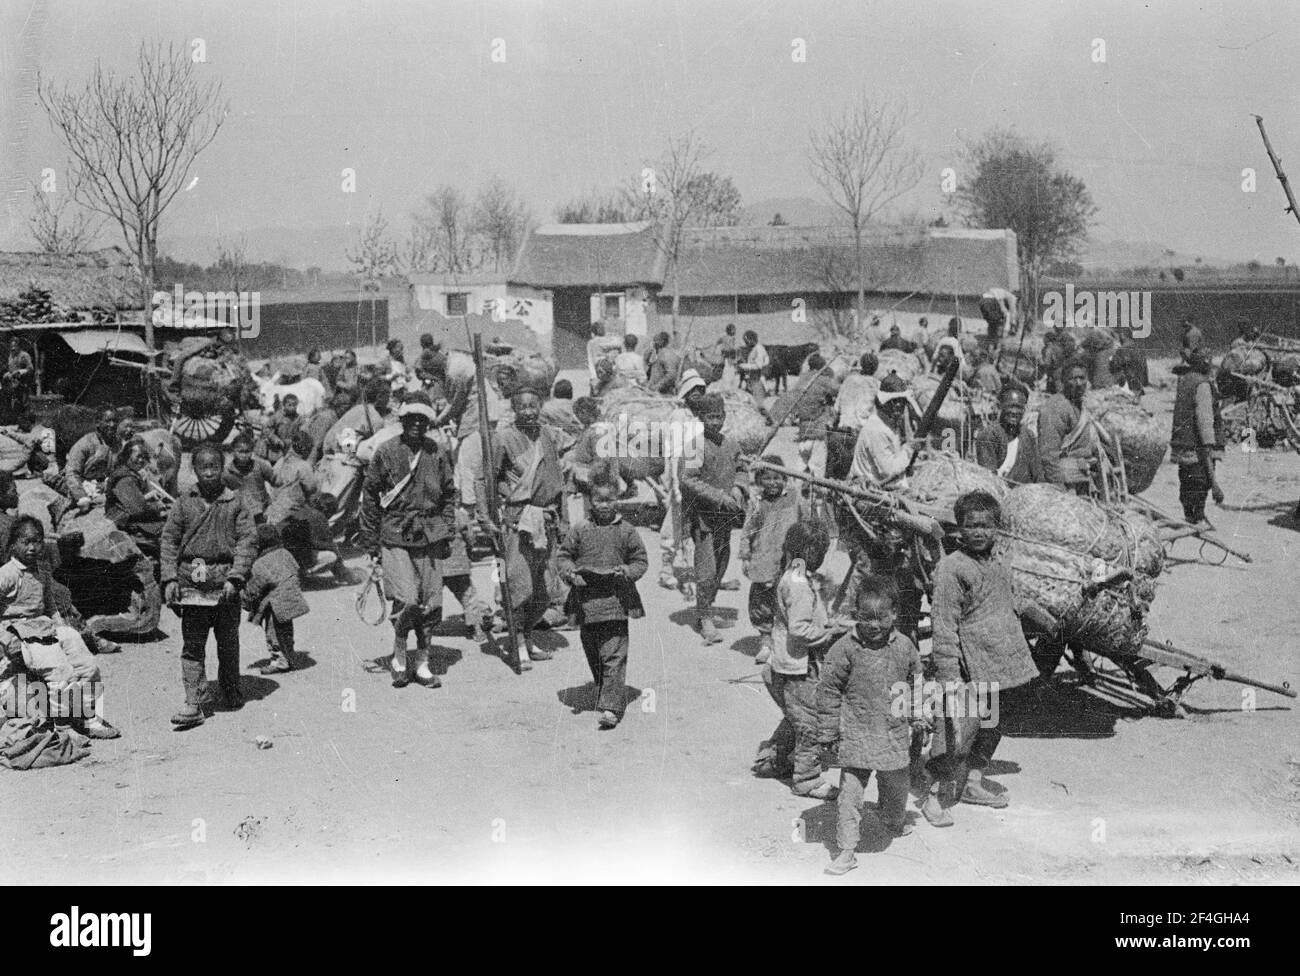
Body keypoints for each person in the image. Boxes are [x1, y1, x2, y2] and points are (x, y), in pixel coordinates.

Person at [923, 490, 1040, 827]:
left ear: (996, 528)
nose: (978, 532)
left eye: (985, 525)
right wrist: (948, 677)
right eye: (970, 526)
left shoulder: (1001, 559)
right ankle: (932, 797)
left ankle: (972, 781)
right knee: (954, 734)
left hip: (1003, 660)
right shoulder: (951, 568)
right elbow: (944, 626)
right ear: (958, 529)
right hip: (968, 666)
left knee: (994, 724)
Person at [817, 574, 922, 875]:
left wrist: (919, 716)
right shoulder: (844, 648)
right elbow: (828, 690)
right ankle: (846, 849)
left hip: (893, 734)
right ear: (855, 616)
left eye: (881, 618)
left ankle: (893, 821)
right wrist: (827, 732)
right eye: (866, 618)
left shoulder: (904, 647)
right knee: (849, 795)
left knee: (897, 787)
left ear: (894, 615)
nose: (874, 625)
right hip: (856, 734)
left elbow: (916, 682)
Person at [360, 392, 456, 688]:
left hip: (430, 536)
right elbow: (370, 496)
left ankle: (423, 663)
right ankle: (400, 658)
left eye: (422, 419)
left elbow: (450, 494)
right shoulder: (386, 452)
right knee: (406, 600)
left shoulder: (437, 452)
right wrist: (371, 542)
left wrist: (448, 528)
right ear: (401, 420)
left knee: (431, 603)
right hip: (396, 535)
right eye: (411, 418)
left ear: (428, 422)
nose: (416, 423)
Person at [161, 443, 257, 729]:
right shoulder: (183, 502)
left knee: (228, 640)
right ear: (194, 469)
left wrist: (236, 577)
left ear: (222, 467)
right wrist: (168, 579)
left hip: (224, 581)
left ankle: (230, 687)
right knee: (193, 644)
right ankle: (195, 701)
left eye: (214, 467)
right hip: (191, 582)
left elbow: (247, 541)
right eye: (203, 468)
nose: (209, 473)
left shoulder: (236, 502)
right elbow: (168, 541)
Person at [0, 516, 120, 739]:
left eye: (37, 541)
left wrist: (66, 631)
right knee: (60, 674)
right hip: (21, 632)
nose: (32, 548)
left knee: (88, 665)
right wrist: (5, 639)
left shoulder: (42, 571)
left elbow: (50, 606)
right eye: (26, 542)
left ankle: (88, 717)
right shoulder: (7, 574)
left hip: (45, 627)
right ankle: (63, 726)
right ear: (14, 543)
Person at [753, 521, 849, 799]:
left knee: (796, 716)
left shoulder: (795, 575)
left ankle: (772, 758)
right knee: (811, 724)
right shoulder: (798, 585)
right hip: (797, 665)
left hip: (786, 661)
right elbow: (799, 628)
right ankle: (806, 778)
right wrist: (829, 634)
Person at [557, 477, 648, 729]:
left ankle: (611, 707)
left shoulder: (626, 530)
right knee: (593, 650)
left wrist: (628, 571)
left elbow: (640, 560)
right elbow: (563, 556)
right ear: (591, 501)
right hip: (586, 603)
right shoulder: (580, 529)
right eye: (599, 500)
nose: (604, 505)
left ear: (617, 500)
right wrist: (570, 573)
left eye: (609, 500)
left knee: (614, 654)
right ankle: (604, 687)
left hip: (616, 601)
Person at [483, 387, 566, 662]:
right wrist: (487, 518)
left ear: (540, 406)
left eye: (533, 406)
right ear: (514, 409)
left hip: (547, 519)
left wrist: (563, 521)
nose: (529, 411)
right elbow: (487, 481)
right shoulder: (503, 439)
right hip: (518, 520)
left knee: (544, 591)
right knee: (520, 586)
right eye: (523, 407)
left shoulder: (548, 435)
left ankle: (528, 636)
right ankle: (517, 641)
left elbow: (557, 482)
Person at [679, 393, 747, 644]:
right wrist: (719, 497)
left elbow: (742, 469)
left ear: (725, 416)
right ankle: (705, 617)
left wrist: (739, 488)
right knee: (706, 569)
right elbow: (687, 479)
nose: (715, 422)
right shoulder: (695, 446)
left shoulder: (731, 444)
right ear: (701, 419)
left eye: (718, 417)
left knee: (721, 564)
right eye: (710, 417)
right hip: (703, 517)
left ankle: (707, 606)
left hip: (725, 518)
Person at [739, 458, 805, 664]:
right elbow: (747, 530)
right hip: (764, 557)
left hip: (792, 558)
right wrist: (745, 555)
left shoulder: (795, 497)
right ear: (758, 480)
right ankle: (766, 642)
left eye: (777, 477)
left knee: (792, 598)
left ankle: (788, 641)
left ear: (785, 479)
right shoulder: (756, 501)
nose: (772, 482)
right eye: (766, 478)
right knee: (763, 601)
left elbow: (806, 523)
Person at [657, 369, 707, 590]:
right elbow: (675, 451)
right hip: (681, 474)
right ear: (685, 393)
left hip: (699, 476)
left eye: (701, 390)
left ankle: (699, 569)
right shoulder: (679, 416)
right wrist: (676, 483)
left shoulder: (701, 415)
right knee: (674, 524)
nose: (697, 394)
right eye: (693, 390)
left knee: (698, 525)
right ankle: (666, 570)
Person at [242, 523, 310, 675]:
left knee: (273, 633)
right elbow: (296, 569)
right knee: (286, 630)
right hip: (290, 599)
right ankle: (289, 655)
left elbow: (255, 587)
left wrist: (245, 599)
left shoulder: (260, 563)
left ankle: (279, 661)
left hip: (274, 604)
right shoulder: (286, 553)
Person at [1169, 348, 1225, 526]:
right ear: (1205, 364)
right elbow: (1204, 419)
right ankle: (1198, 515)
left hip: (1182, 442)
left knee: (1186, 479)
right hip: (1197, 444)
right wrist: (1209, 444)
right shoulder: (1202, 384)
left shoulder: (1184, 380)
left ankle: (1189, 513)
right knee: (1201, 480)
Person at [1038, 359, 1106, 495]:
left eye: (1082, 378)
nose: (1079, 383)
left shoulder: (1081, 404)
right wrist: (1059, 490)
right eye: (1073, 379)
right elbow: (1048, 456)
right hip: (1066, 481)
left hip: (1084, 476)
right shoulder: (1056, 408)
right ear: (1063, 381)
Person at [848, 375, 924, 489]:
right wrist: (909, 449)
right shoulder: (877, 429)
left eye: (902, 401)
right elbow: (889, 471)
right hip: (871, 494)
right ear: (885, 403)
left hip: (886, 488)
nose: (900, 405)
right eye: (895, 401)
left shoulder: (889, 425)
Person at [104, 438, 168, 563]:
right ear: (127, 456)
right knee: (169, 535)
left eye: (144, 457)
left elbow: (134, 501)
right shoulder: (125, 478)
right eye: (138, 456)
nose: (141, 460)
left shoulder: (130, 473)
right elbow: (138, 510)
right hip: (126, 524)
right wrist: (158, 509)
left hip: (129, 518)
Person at [975, 386, 1043, 484]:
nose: (1015, 412)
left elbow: (1037, 472)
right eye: (1011, 406)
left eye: (1019, 407)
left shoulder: (1028, 435)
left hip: (1026, 493)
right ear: (1000, 406)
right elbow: (989, 479)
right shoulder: (988, 436)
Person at [789, 353, 838, 479]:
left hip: (803, 432)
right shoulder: (823, 380)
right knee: (817, 473)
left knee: (799, 469)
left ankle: (796, 494)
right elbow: (836, 390)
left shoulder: (802, 379)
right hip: (817, 434)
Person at [64, 408, 122, 510]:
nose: (112, 425)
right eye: (108, 421)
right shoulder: (85, 443)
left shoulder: (118, 443)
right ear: (98, 423)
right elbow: (71, 473)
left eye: (115, 421)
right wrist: (81, 496)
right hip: (83, 486)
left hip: (105, 487)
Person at [223, 433, 276, 522]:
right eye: (240, 451)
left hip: (263, 511)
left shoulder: (260, 466)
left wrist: (273, 506)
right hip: (241, 514)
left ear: (252, 451)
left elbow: (277, 482)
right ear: (233, 451)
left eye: (247, 452)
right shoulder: (227, 472)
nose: (244, 456)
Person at [833, 352, 879, 431]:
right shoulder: (877, 385)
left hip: (843, 428)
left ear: (861, 365)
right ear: (876, 368)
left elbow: (836, 408)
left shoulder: (848, 380)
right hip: (862, 432)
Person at [262, 393, 303, 458]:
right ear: (284, 405)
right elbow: (266, 429)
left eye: (294, 405)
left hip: (291, 448)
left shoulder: (299, 418)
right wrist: (275, 439)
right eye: (289, 405)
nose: (292, 407)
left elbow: (302, 432)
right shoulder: (278, 416)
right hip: (277, 448)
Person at [736, 330, 769, 399]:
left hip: (758, 381)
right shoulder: (755, 349)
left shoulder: (759, 349)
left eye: (746, 341)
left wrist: (743, 366)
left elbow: (758, 366)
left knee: (758, 402)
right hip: (753, 381)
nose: (745, 343)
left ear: (751, 339)